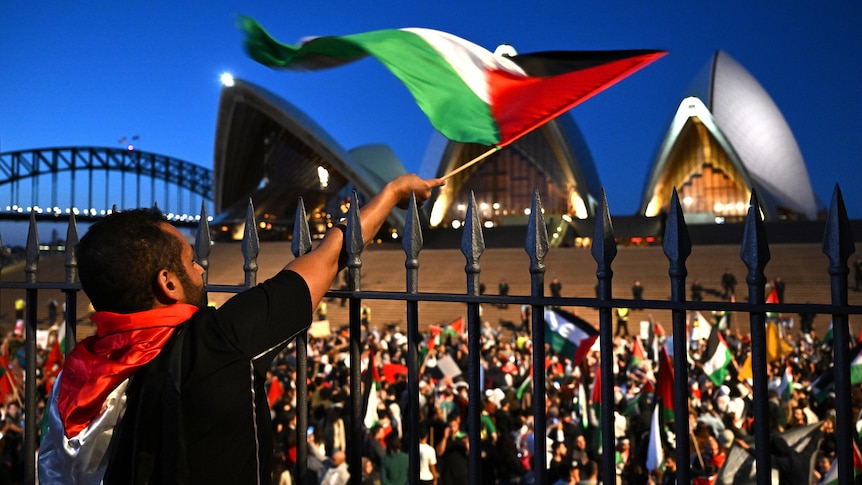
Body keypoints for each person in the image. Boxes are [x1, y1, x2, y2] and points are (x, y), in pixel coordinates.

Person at [38, 174, 443, 484]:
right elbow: (328, 256)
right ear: (168, 283)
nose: (201, 268)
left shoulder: (75, 378)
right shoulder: (218, 342)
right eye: (192, 260)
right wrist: (391, 194)